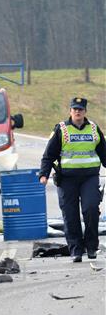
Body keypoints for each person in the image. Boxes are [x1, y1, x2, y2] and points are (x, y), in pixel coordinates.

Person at [39, 97, 106, 262]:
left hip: (89, 177)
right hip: (67, 179)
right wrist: (43, 174)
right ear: (70, 111)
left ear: (85, 112)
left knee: (91, 209)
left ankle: (91, 247)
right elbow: (49, 155)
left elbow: (104, 153)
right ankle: (76, 250)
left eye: (80, 109)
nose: (78, 112)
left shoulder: (93, 129)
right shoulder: (62, 130)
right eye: (75, 109)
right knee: (70, 215)